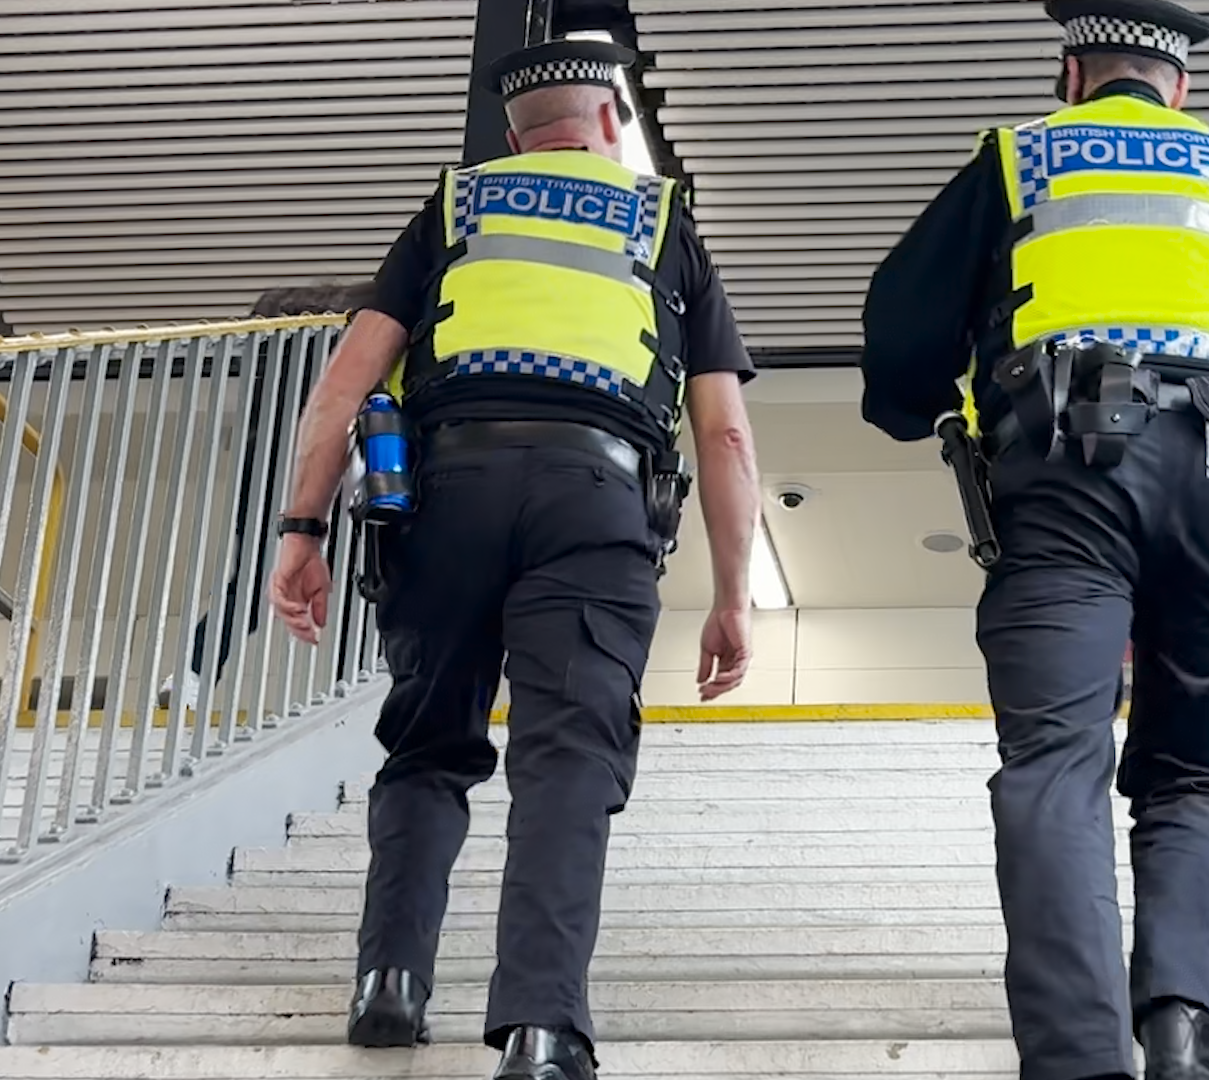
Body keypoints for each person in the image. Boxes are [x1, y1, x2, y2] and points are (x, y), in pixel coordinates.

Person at [857, 3, 1209, 1079]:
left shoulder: (1019, 159)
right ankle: (1184, 1039)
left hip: (1062, 476)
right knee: (1190, 775)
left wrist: (910, 400)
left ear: (1071, 73)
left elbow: (899, 325)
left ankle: (1077, 1059)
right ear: (1180, 88)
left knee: (1055, 765)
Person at [266, 38, 761, 1080]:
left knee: (428, 744)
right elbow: (723, 435)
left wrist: (301, 530)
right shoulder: (668, 224)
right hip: (596, 501)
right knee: (568, 759)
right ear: (614, 126)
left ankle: (389, 988)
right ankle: (541, 1031)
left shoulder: (456, 207)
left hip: (445, 496)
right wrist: (732, 597)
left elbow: (341, 388)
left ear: (511, 138)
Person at [161, 282, 375, 714]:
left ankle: (192, 674)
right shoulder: (366, 328)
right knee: (351, 588)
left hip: (291, 472)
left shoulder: (286, 357)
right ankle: (351, 699)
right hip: (313, 471)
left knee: (261, 583)